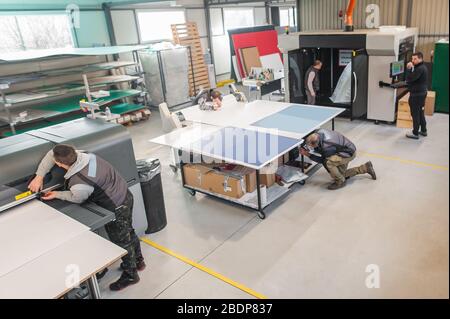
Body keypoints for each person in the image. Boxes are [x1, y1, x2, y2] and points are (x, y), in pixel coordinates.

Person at [28, 144, 145, 291]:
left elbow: (77, 198)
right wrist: (39, 176)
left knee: (121, 241)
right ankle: (139, 261)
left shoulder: (80, 182)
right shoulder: (84, 155)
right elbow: (52, 153)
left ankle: (131, 275)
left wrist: (56, 194)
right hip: (124, 194)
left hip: (116, 207)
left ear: (59, 164)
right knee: (128, 231)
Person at [300, 129, 377, 190]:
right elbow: (317, 146)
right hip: (345, 148)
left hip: (348, 154)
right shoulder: (319, 132)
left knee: (328, 163)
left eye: (312, 146)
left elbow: (322, 160)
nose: (310, 148)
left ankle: (340, 182)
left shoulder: (327, 147)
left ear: (316, 143)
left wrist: (307, 154)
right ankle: (366, 167)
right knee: (340, 174)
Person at [405, 52, 428, 139]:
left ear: (420, 59)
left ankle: (415, 133)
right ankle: (423, 130)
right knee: (420, 112)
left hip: (417, 95)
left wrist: (409, 69)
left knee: (415, 113)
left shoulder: (419, 69)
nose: (413, 61)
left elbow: (410, 79)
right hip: (422, 93)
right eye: (412, 59)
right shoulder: (422, 67)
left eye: (415, 59)